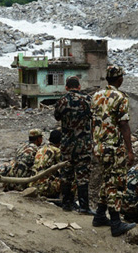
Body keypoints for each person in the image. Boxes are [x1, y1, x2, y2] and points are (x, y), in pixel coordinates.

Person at [91, 65, 136, 237]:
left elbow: (93, 122)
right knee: (116, 183)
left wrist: (93, 143)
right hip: (113, 148)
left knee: (106, 179)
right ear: (119, 79)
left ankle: (100, 215)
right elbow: (124, 124)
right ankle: (116, 222)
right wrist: (130, 150)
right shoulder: (120, 97)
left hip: (99, 146)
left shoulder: (95, 96)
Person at [54, 75, 93, 214]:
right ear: (79, 86)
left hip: (67, 144)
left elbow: (57, 116)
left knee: (66, 174)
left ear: (66, 87)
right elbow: (93, 116)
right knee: (83, 175)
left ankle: (67, 204)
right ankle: (84, 207)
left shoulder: (62, 101)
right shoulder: (88, 100)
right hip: (84, 144)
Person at [29, 130, 63, 198]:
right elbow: (63, 170)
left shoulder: (41, 149)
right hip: (44, 188)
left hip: (31, 185)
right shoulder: (57, 151)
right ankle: (68, 202)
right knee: (71, 178)